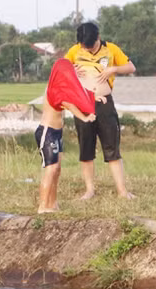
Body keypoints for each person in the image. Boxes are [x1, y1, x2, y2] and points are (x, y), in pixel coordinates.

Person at [65, 22, 136, 200]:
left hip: (104, 103)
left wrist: (114, 69)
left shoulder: (110, 49)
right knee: (86, 147)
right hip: (83, 103)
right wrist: (71, 70)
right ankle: (89, 190)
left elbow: (131, 67)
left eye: (91, 45)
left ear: (98, 37)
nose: (88, 49)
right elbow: (60, 71)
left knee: (112, 146)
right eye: (84, 46)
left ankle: (122, 191)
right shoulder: (74, 51)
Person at [36, 59, 97, 213]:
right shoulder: (53, 90)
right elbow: (69, 104)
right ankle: (43, 206)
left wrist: (93, 98)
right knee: (51, 168)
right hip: (47, 132)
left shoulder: (61, 87)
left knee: (57, 169)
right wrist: (84, 118)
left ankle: (53, 203)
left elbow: (75, 94)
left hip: (57, 133)